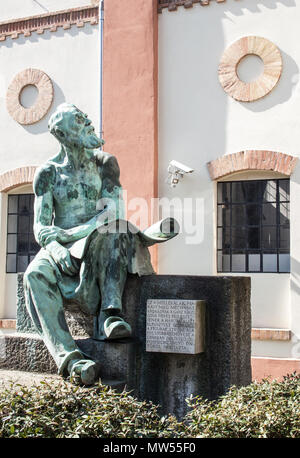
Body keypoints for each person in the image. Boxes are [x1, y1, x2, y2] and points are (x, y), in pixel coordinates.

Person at [23, 103, 174, 385]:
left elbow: (112, 211)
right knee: (34, 274)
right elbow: (41, 224)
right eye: (80, 122)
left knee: (114, 230)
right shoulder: (48, 173)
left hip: (97, 237)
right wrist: (55, 245)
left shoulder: (105, 163)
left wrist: (72, 234)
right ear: (64, 135)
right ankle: (71, 360)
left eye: (85, 118)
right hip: (61, 246)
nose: (89, 123)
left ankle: (110, 316)